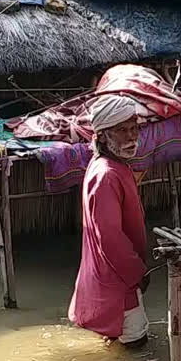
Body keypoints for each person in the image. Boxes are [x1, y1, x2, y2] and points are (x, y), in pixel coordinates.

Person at [68, 94, 150, 348]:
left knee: (118, 339)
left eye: (134, 129)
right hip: (119, 277)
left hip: (113, 274)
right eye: (122, 131)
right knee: (137, 345)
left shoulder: (111, 166)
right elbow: (110, 238)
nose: (131, 137)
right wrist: (137, 271)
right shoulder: (107, 175)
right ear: (102, 135)